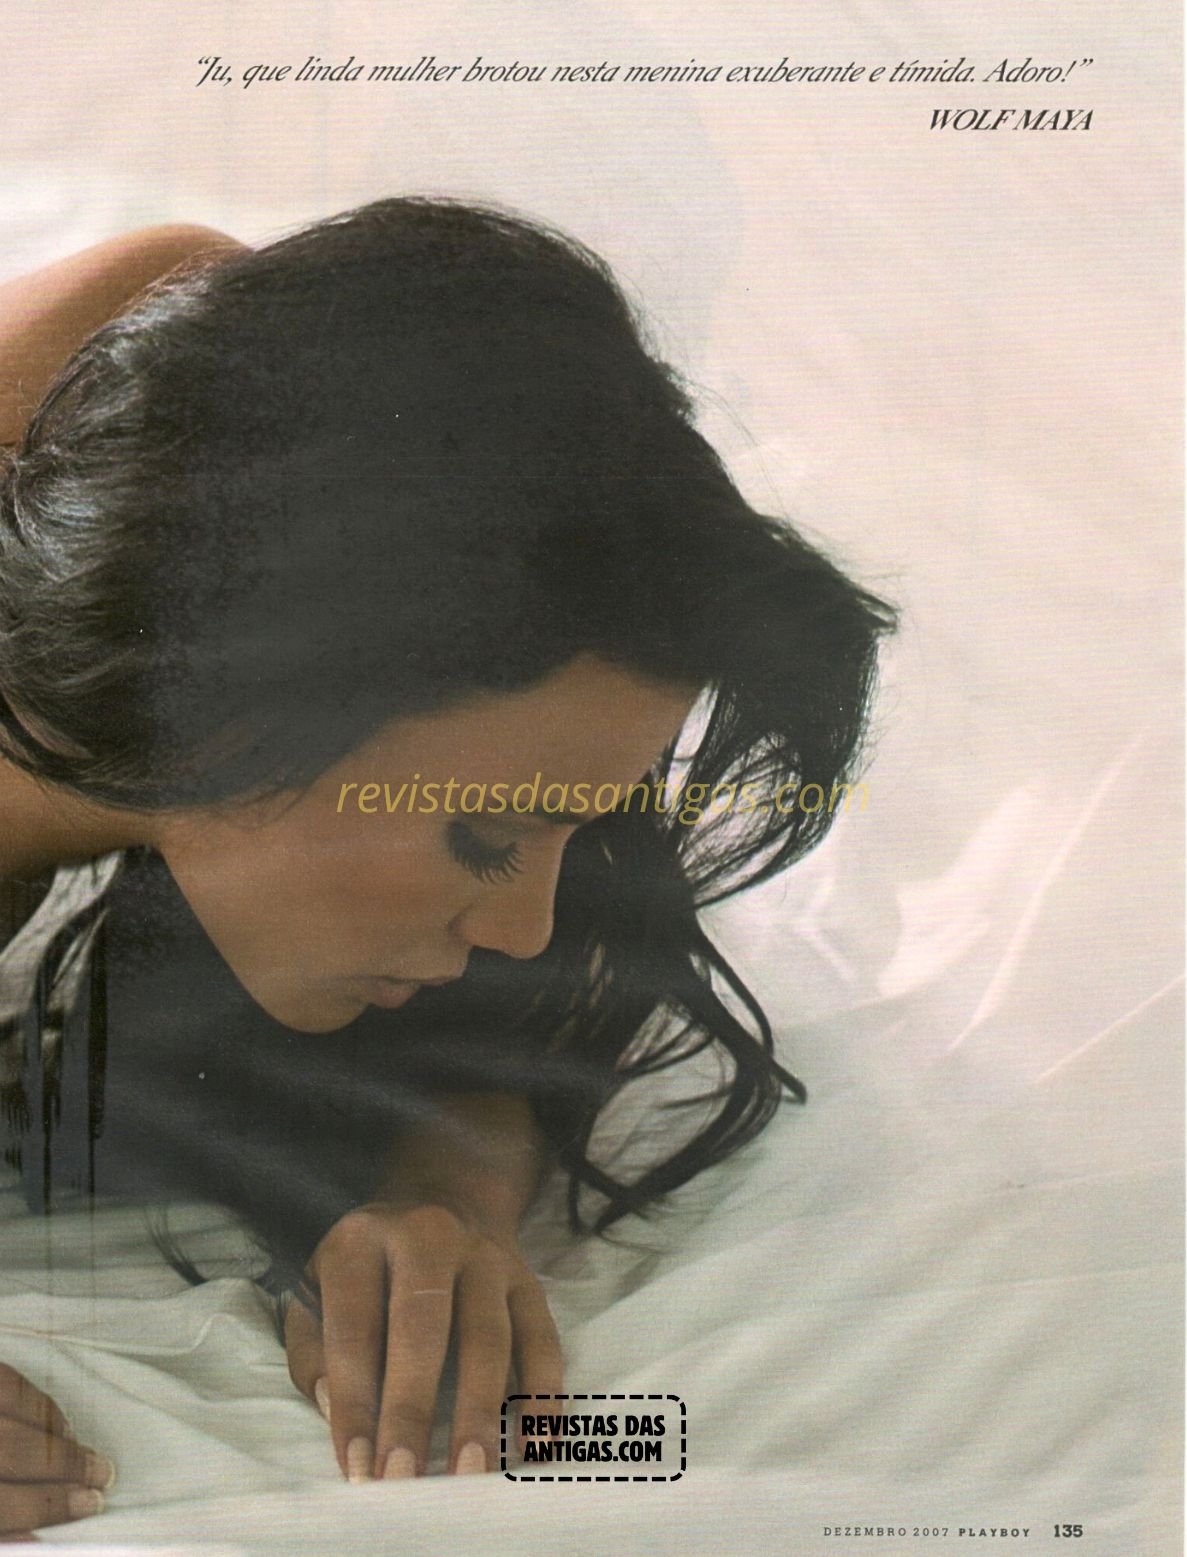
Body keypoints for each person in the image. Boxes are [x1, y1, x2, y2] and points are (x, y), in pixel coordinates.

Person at [0, 197, 894, 1536]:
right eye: (482, 836)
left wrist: (444, 1189)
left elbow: (543, 980)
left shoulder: (204, 402)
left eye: (571, 829)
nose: (527, 928)